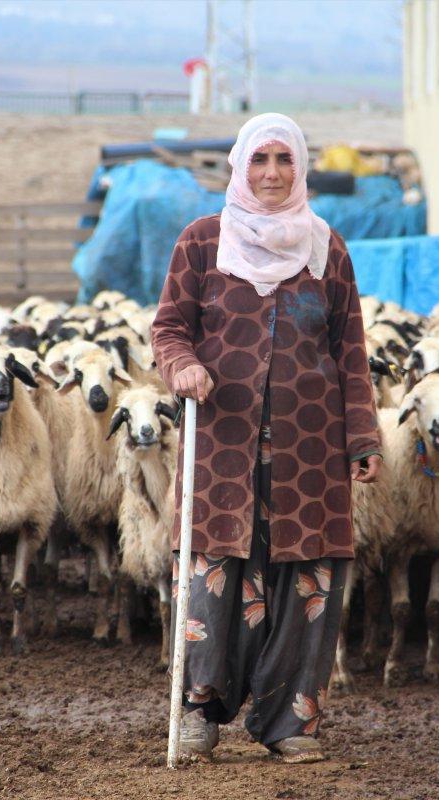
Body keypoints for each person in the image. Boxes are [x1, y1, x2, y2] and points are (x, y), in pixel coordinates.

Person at [151, 113, 382, 764]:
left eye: (285, 160)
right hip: (222, 444)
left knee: (309, 582)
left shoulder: (327, 249)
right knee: (213, 576)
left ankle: (289, 724)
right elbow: (169, 328)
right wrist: (183, 365)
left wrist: (363, 437)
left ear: (301, 167)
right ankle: (201, 712)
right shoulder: (203, 242)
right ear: (239, 166)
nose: (273, 173)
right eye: (260, 160)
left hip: (312, 451)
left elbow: (349, 351)